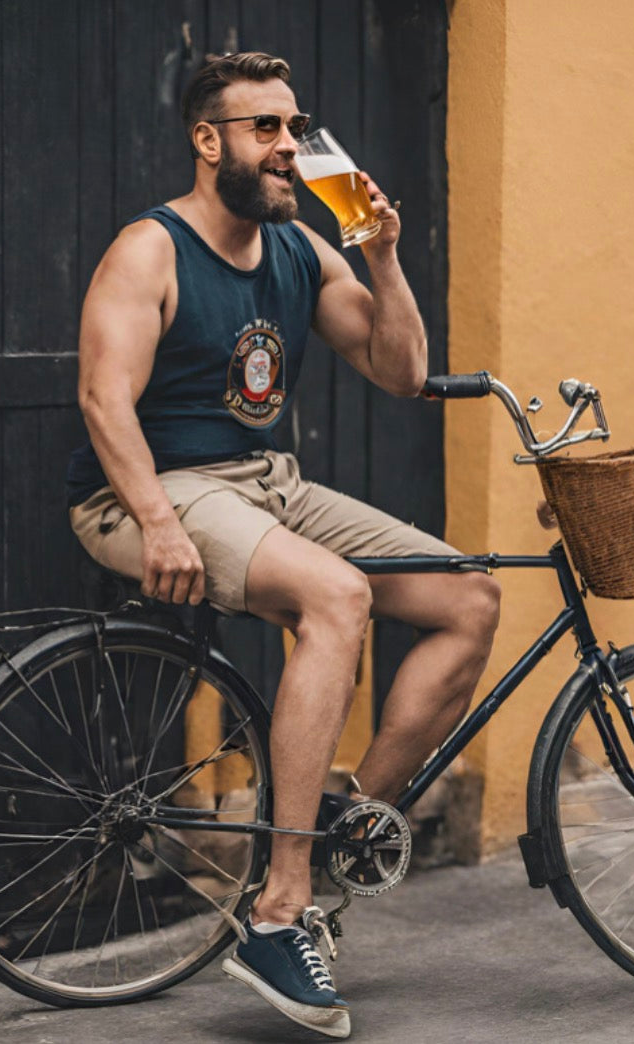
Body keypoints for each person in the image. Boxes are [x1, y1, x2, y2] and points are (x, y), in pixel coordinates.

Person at [67, 51, 500, 1040]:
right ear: (207, 140)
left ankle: (345, 831)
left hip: (265, 487)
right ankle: (278, 909)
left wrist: (384, 256)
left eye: (295, 128)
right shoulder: (153, 249)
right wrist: (161, 520)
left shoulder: (304, 246)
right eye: (264, 129)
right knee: (339, 598)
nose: (288, 148)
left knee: (466, 597)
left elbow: (402, 372)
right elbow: (102, 397)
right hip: (147, 490)